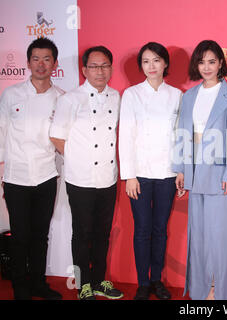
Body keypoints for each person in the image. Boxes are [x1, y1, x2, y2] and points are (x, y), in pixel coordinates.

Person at [172, 40, 227, 300]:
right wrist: (180, 169)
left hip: (220, 174)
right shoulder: (190, 95)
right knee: (200, 236)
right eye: (202, 62)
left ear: (221, 64)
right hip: (194, 172)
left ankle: (224, 291)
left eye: (212, 61)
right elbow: (182, 133)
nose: (206, 67)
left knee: (222, 237)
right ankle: (204, 289)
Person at [49, 46, 123, 300]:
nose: (100, 71)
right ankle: (83, 285)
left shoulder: (116, 96)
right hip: (80, 179)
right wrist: (78, 158)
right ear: (84, 70)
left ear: (111, 69)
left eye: (104, 66)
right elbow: (57, 136)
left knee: (103, 234)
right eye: (94, 66)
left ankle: (101, 281)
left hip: (108, 177)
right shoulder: (70, 99)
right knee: (81, 234)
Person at [0, 37, 63, 300]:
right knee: (20, 237)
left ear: (54, 64)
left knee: (40, 236)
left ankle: (38, 283)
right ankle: (20, 287)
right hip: (16, 177)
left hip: (47, 176)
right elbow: (2, 132)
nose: (41, 64)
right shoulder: (11, 94)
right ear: (28, 63)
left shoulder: (62, 98)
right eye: (36, 59)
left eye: (46, 59)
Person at [119, 42, 182, 300]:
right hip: (141, 174)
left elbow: (181, 136)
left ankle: (157, 280)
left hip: (167, 174)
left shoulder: (177, 95)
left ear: (165, 63)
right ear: (141, 66)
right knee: (142, 229)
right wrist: (129, 175)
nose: (151, 66)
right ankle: (143, 283)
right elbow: (126, 136)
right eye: (146, 61)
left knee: (160, 229)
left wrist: (180, 170)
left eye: (156, 60)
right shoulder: (132, 95)